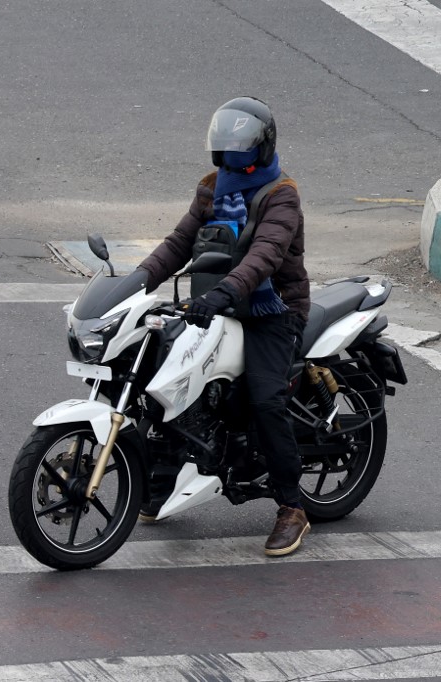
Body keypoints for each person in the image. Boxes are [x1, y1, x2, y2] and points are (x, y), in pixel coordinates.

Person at [136, 96, 312, 557]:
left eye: (242, 149)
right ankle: (162, 477)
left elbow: (265, 255)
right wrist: (135, 280)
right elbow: (179, 243)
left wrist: (225, 292)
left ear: (262, 147)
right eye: (227, 149)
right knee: (163, 377)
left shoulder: (281, 194)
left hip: (273, 311)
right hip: (217, 305)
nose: (234, 158)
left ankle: (292, 507)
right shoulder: (211, 188)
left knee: (265, 399)